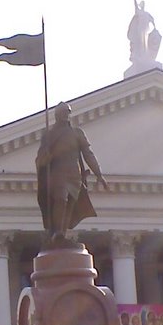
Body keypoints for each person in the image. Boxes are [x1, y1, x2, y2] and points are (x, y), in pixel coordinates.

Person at [35, 102, 108, 244]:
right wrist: (46, 157)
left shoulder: (77, 133)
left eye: (68, 112)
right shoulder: (49, 134)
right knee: (61, 199)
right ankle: (57, 231)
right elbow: (40, 159)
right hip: (57, 174)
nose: (66, 115)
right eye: (63, 112)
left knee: (70, 206)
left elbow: (88, 154)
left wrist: (99, 175)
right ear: (57, 115)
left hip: (75, 175)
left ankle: (61, 233)